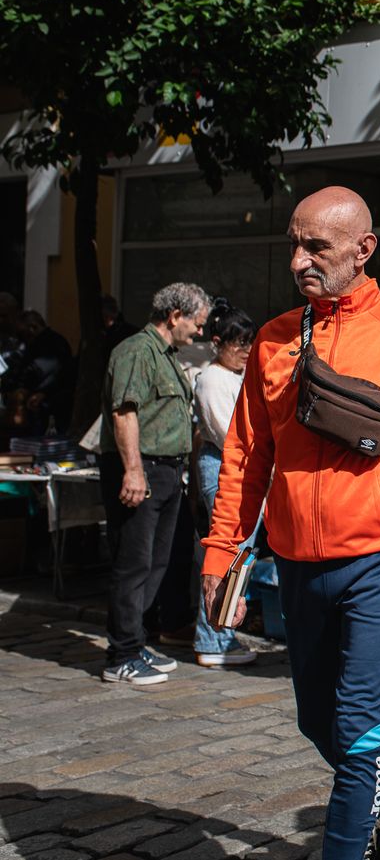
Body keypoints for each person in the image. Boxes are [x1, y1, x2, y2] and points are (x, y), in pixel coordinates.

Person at [200, 187, 380, 860]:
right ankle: (379, 796)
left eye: (316, 246)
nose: (299, 260)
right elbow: (246, 458)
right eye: (294, 243)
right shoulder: (273, 339)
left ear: (362, 249)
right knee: (315, 718)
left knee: (356, 722)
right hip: (293, 559)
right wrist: (220, 549)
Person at [99, 282, 212, 686]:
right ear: (175, 315)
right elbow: (124, 412)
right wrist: (133, 471)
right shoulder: (136, 351)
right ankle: (121, 654)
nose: (199, 333)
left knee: (155, 563)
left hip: (165, 471)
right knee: (133, 563)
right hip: (141, 467)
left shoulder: (165, 355)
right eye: (196, 324)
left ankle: (137, 640)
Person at [190, 300, 258, 668]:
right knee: (229, 555)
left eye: (250, 343)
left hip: (241, 468)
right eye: (238, 344)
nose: (245, 351)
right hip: (223, 467)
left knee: (240, 555)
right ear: (219, 342)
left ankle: (220, 633)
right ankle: (213, 638)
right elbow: (226, 434)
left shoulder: (236, 375)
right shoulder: (212, 378)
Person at [1, 309, 75, 434]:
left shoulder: (50, 343)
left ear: (33, 328)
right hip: (42, 403)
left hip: (47, 406)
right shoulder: (45, 342)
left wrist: (20, 388)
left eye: (23, 334)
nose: (23, 339)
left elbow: (36, 372)